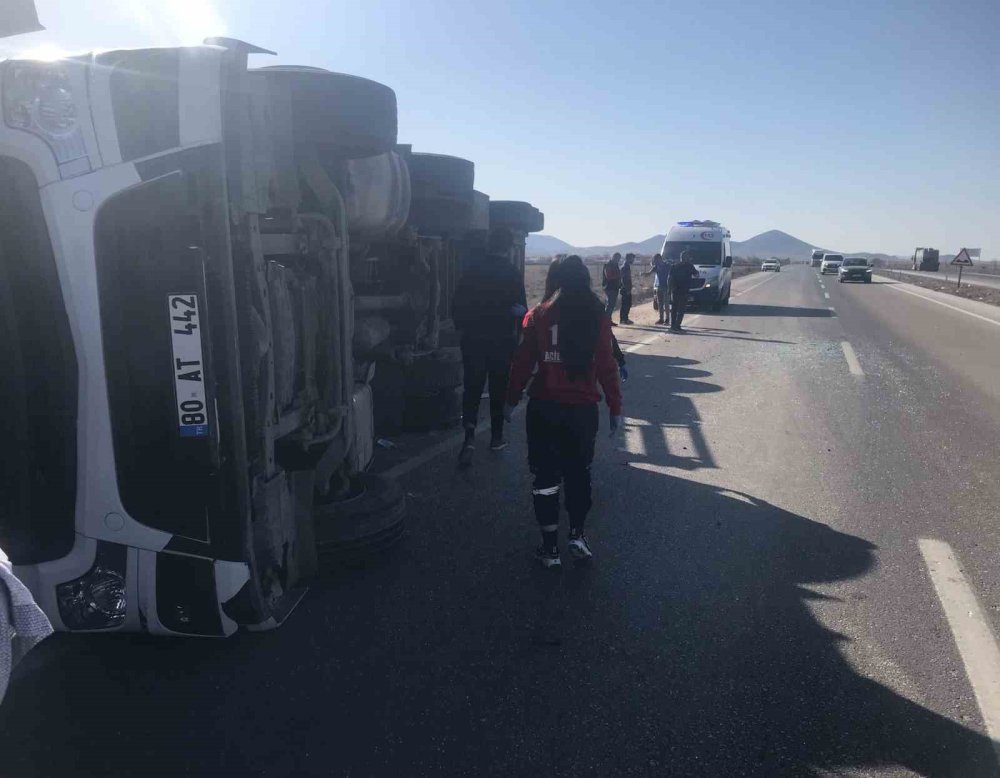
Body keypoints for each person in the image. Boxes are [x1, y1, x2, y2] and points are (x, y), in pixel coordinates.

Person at [506, 255, 622, 568]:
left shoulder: (537, 316)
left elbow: (522, 363)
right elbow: (607, 366)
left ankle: (549, 548)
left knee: (545, 477)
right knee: (578, 473)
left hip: (545, 408)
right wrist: (615, 407)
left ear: (553, 280)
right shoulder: (598, 316)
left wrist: (510, 400)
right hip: (583, 412)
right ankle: (577, 535)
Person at [452, 227, 527, 466]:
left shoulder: (471, 271)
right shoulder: (512, 273)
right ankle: (496, 438)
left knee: (472, 388)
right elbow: (522, 310)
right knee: (498, 389)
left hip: (473, 340)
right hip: (502, 342)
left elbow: (456, 305)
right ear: (507, 249)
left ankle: (470, 436)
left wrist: (463, 328)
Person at [545, 257, 627, 383]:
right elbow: (606, 345)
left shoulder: (540, 313)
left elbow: (524, 359)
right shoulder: (593, 310)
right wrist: (620, 361)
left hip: (546, 392)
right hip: (583, 392)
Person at [667, 249, 699, 332]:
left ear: (681, 257)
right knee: (680, 310)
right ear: (687, 258)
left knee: (674, 309)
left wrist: (669, 289)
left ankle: (673, 326)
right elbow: (696, 275)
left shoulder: (674, 266)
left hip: (675, 291)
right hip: (683, 291)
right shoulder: (689, 266)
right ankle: (677, 326)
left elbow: (669, 279)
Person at [644, 253, 673, 325]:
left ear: (659, 259)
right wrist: (644, 274)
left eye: (655, 260)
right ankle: (661, 319)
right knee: (660, 304)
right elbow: (649, 273)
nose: (655, 261)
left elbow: (672, 274)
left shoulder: (667, 265)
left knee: (666, 304)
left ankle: (667, 319)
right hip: (658, 287)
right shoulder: (656, 267)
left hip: (666, 287)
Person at [602, 252, 622, 321]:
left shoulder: (615, 265)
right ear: (613, 257)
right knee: (610, 305)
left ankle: (608, 320)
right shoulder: (608, 265)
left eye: (619, 259)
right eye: (617, 258)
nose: (618, 260)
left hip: (615, 287)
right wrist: (618, 276)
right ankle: (606, 321)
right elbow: (608, 276)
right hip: (609, 287)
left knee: (612, 305)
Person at [619, 253, 635, 325]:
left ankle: (624, 319)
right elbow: (624, 279)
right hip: (625, 289)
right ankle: (624, 319)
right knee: (626, 304)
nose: (633, 260)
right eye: (632, 258)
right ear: (628, 258)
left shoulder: (626, 266)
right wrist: (627, 289)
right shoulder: (625, 267)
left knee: (627, 304)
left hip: (626, 288)